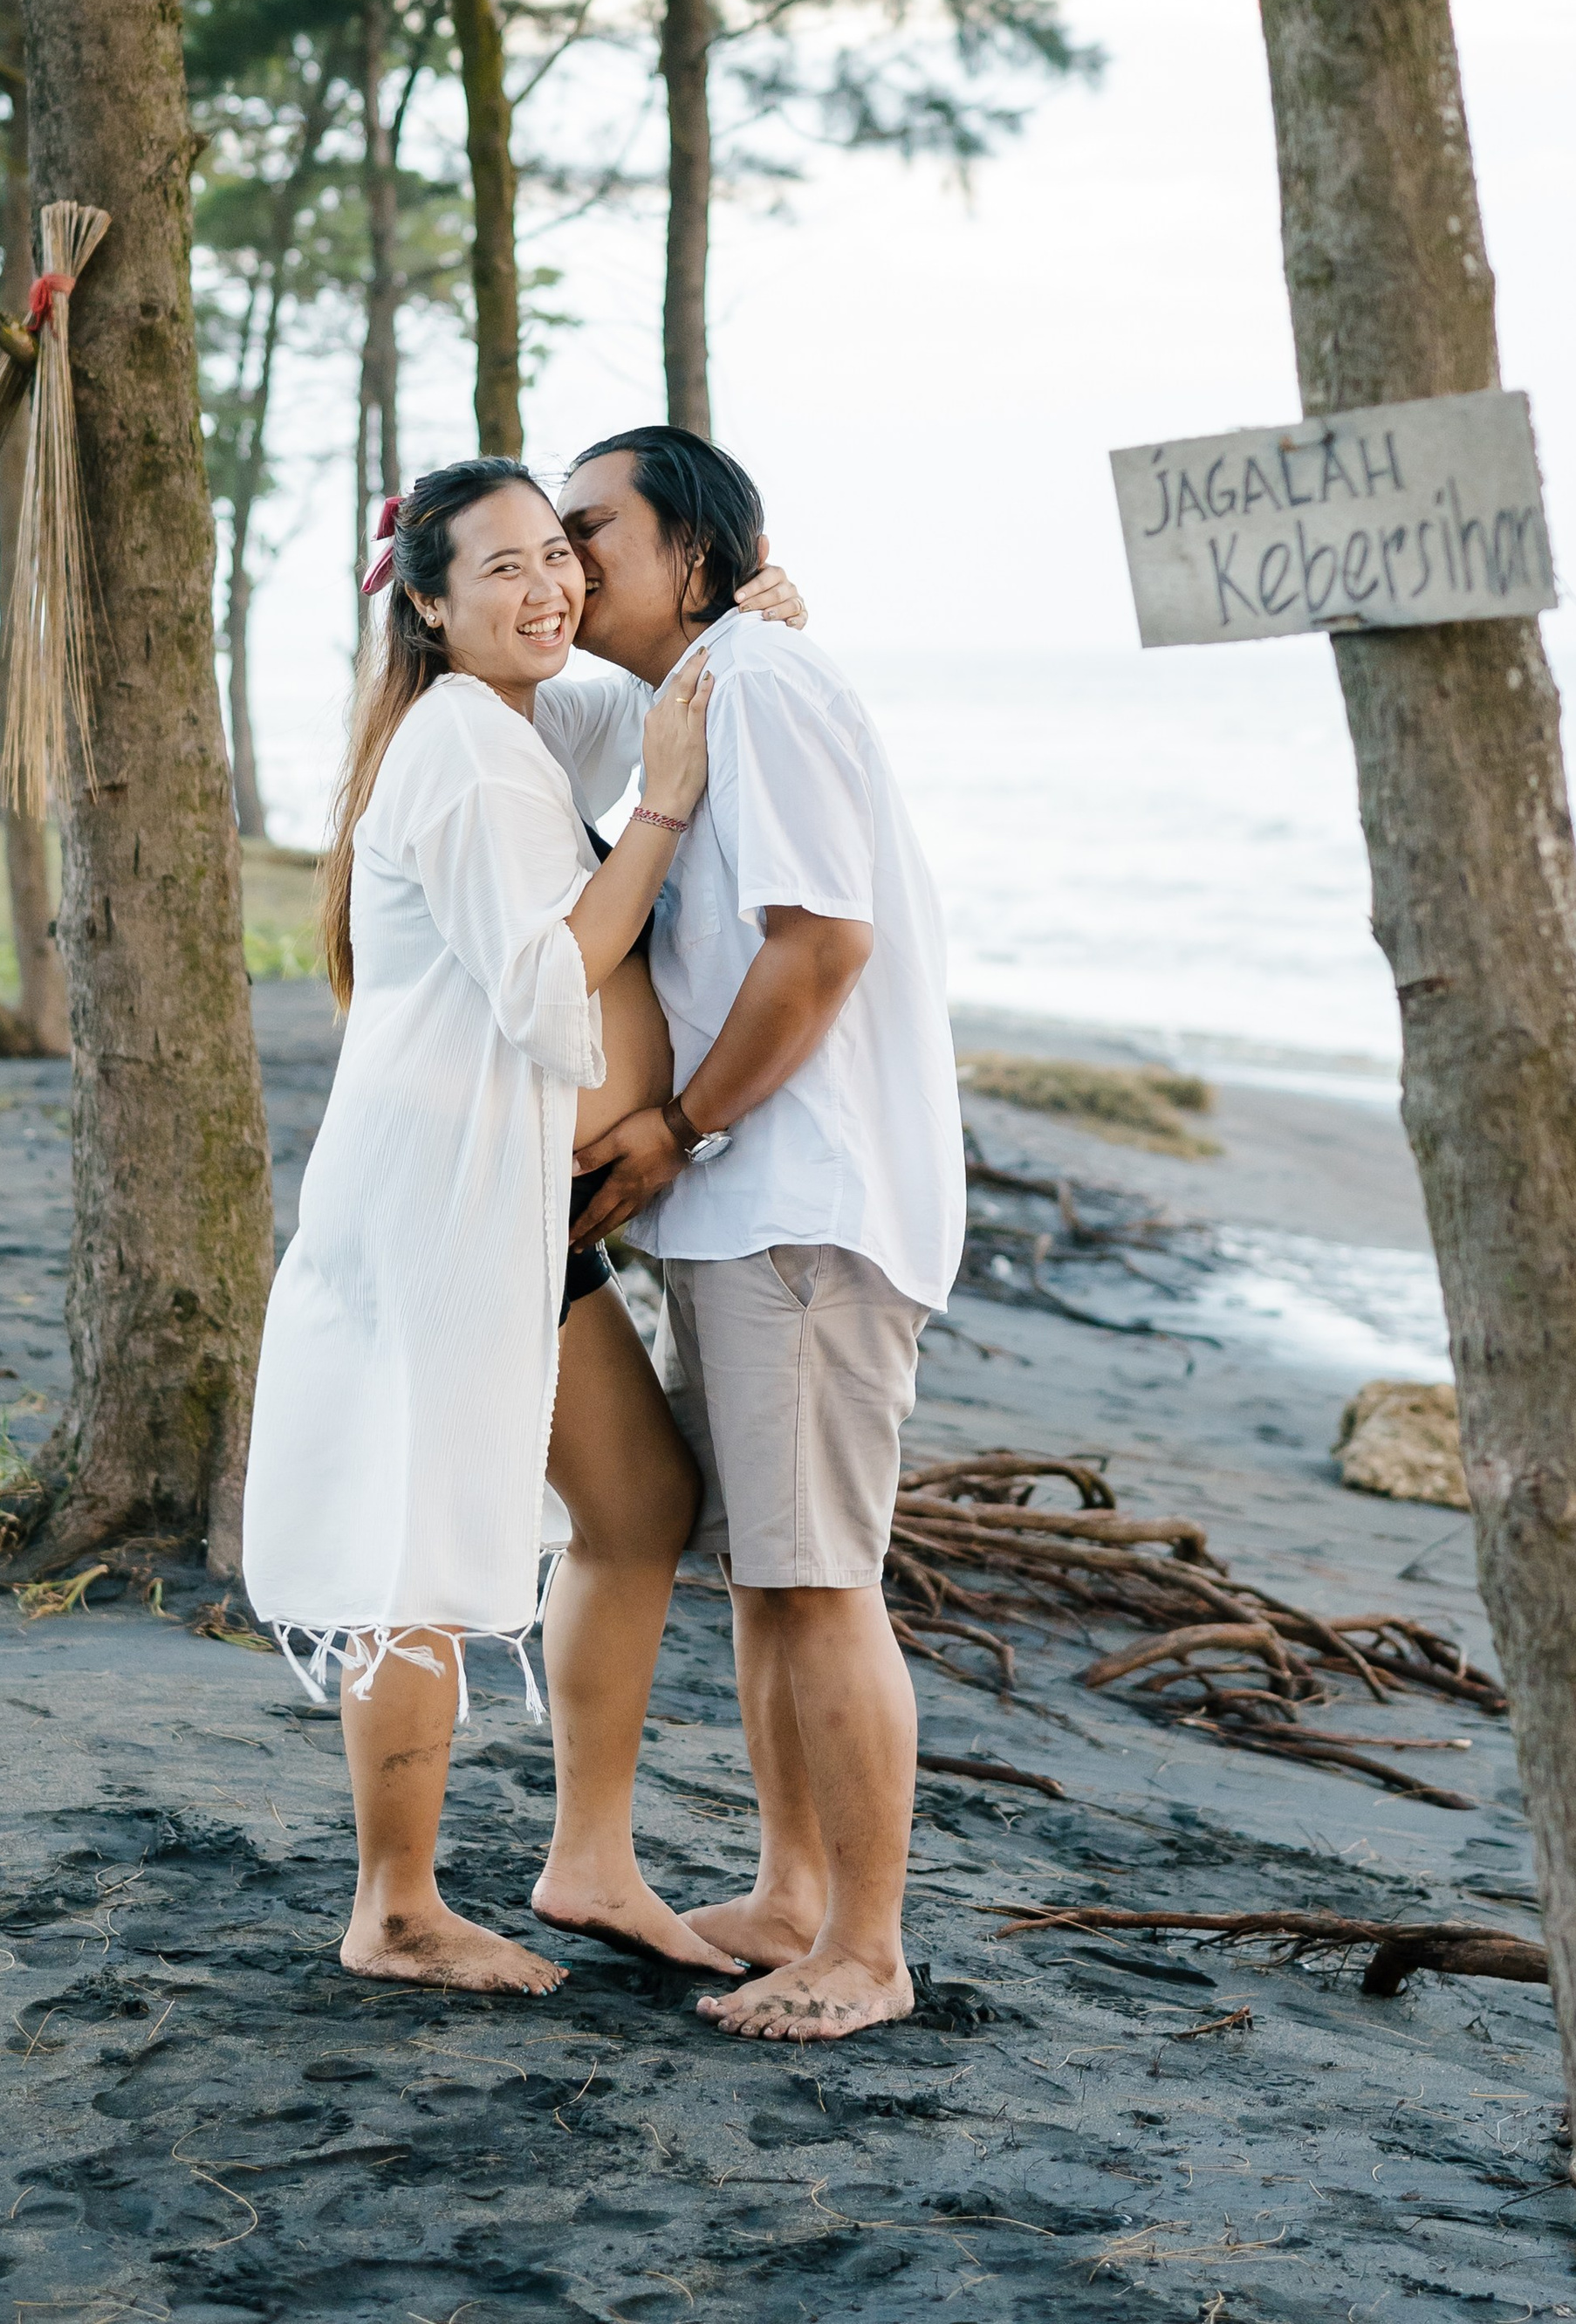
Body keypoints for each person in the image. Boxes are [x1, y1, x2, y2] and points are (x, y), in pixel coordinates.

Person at [238, 456, 802, 1994]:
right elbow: (548, 989)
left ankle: (589, 1858)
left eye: (561, 554)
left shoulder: (516, 721)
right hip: (447, 1212)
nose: (549, 587)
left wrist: (736, 611)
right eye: (503, 568)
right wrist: (669, 819)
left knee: (635, 1511)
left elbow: (649, 691)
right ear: (426, 602)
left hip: (511, 1211)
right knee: (421, 1547)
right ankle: (399, 1910)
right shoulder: (470, 756)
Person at [538, 426, 966, 2044]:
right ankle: (793, 1895)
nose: (569, 567)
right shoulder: (679, 694)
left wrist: (679, 1126)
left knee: (818, 1581)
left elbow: (822, 945)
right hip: (746, 1208)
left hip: (804, 1198)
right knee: (770, 1577)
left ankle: (865, 1943)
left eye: (595, 535)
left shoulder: (760, 684)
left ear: (699, 554)